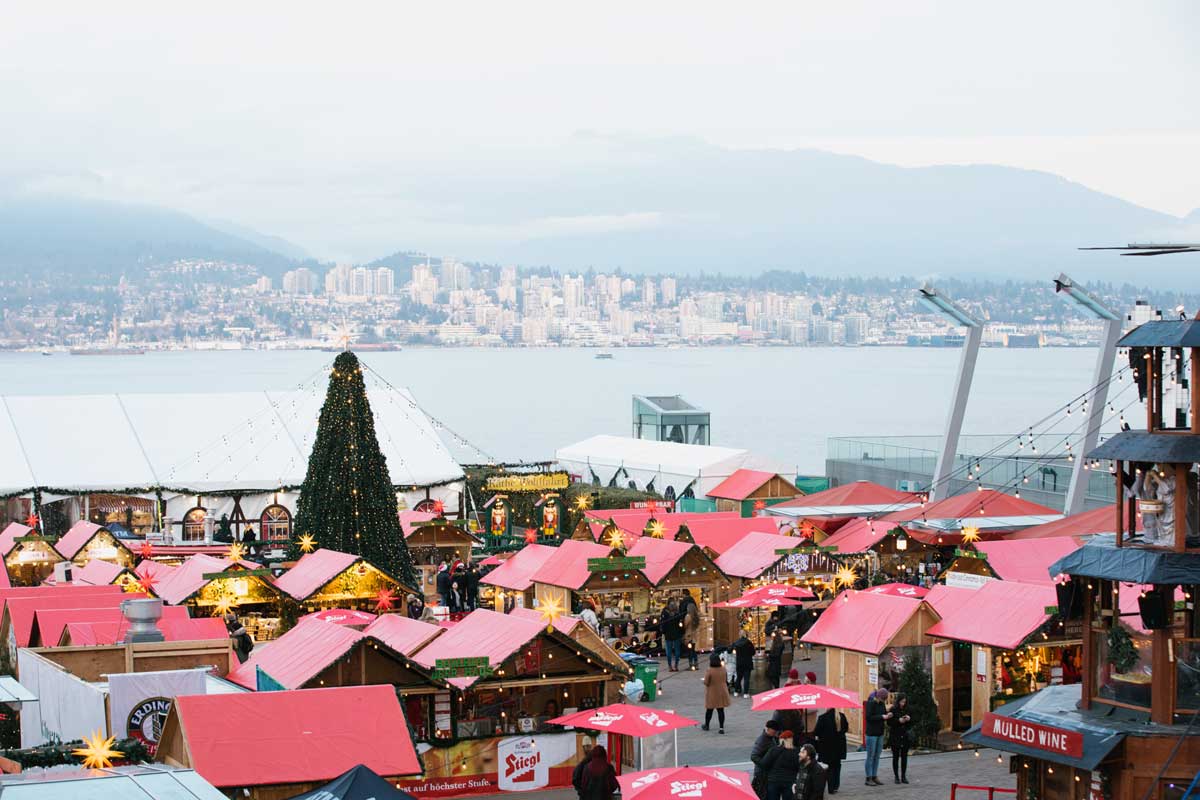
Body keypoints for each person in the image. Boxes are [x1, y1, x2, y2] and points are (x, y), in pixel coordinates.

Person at [813, 706, 848, 795]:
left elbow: (816, 732)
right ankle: (836, 785)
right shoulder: (842, 716)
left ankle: (831, 787)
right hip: (839, 746)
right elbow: (846, 729)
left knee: (829, 767)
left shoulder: (822, 718)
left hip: (826, 747)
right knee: (837, 765)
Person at [761, 730, 801, 800]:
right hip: (789, 782)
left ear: (781, 740)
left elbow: (764, 763)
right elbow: (799, 767)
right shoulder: (797, 752)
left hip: (774, 781)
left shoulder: (774, 750)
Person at [863, 688, 891, 786]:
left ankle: (874, 776)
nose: (884, 701)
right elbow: (869, 717)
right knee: (870, 756)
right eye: (883, 699)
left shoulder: (881, 704)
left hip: (880, 733)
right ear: (878, 696)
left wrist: (888, 715)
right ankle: (868, 777)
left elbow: (882, 714)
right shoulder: (871, 703)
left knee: (877, 756)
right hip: (871, 734)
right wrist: (882, 717)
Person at [750, 720, 781, 799]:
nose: (775, 734)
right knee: (762, 796)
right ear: (768, 729)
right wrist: (764, 764)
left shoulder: (770, 737)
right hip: (762, 775)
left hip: (767, 774)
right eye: (774, 732)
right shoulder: (762, 741)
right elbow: (753, 756)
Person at [702, 652, 731, 733]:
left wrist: (704, 681)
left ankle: (707, 725)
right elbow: (725, 679)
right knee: (721, 710)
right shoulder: (723, 669)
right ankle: (721, 728)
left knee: (709, 710)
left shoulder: (710, 670)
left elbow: (706, 682)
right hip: (722, 692)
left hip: (712, 692)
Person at [888, 692, 912, 784]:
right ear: (898, 701)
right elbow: (889, 723)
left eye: (904, 702)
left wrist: (909, 719)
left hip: (904, 736)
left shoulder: (907, 709)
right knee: (895, 757)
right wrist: (898, 721)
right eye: (901, 702)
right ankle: (896, 776)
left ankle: (903, 776)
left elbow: (912, 722)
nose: (903, 704)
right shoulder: (893, 709)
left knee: (904, 757)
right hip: (896, 735)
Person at [660, 600, 685, 671]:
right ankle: (676, 665)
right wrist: (681, 632)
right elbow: (681, 625)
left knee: (668, 651)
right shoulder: (678, 615)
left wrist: (663, 632)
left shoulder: (665, 614)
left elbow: (663, 625)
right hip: (677, 635)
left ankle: (670, 666)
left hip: (668, 635)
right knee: (677, 651)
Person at [732, 629, 756, 697]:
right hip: (747, 662)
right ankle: (745, 693)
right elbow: (753, 652)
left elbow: (730, 649)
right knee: (746, 678)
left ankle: (736, 692)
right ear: (746, 634)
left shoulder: (736, 642)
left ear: (739, 634)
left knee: (739, 678)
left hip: (739, 662)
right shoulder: (748, 642)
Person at [683, 594, 701, 670]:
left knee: (689, 651)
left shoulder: (688, 616)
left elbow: (685, 625)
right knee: (693, 650)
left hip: (688, 635)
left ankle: (691, 665)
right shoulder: (696, 617)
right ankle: (696, 664)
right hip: (694, 635)